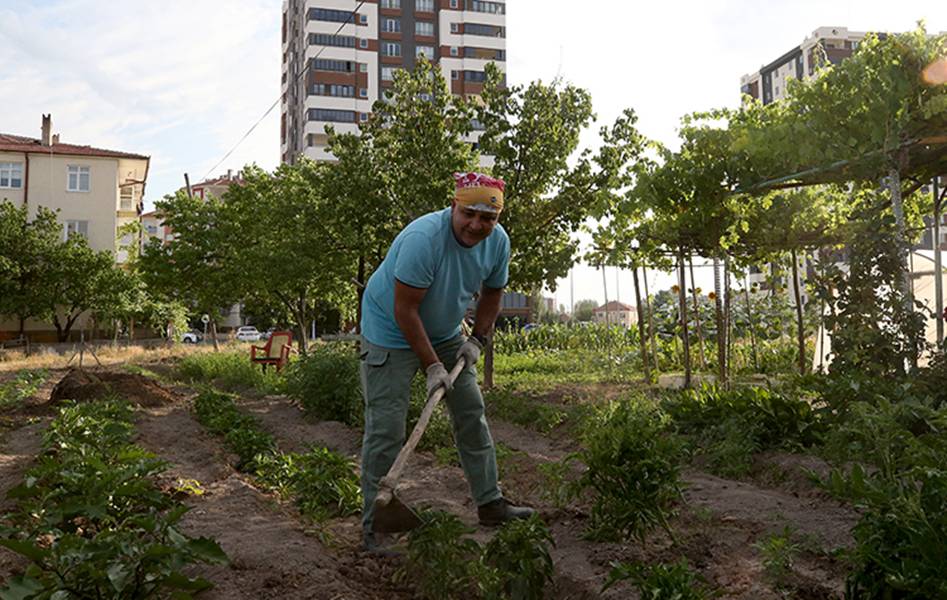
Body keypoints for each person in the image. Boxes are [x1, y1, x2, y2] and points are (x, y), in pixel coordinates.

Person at [358, 172, 534, 553]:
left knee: (471, 411)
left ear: (497, 219)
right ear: (454, 206)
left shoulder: (498, 242)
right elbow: (405, 310)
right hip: (389, 330)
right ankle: (375, 526)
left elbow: (492, 292)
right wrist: (432, 366)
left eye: (487, 218)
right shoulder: (424, 239)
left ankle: (490, 504)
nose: (476, 225)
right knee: (387, 426)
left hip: (446, 332)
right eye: (469, 213)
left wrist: (477, 339)